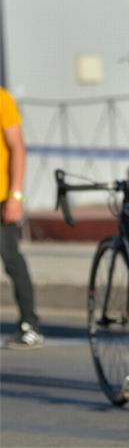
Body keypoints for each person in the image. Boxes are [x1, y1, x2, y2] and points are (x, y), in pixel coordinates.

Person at [1, 87, 44, 349]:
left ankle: (30, 324)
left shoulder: (2, 100)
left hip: (3, 197)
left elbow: (17, 147)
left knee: (11, 259)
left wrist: (16, 195)